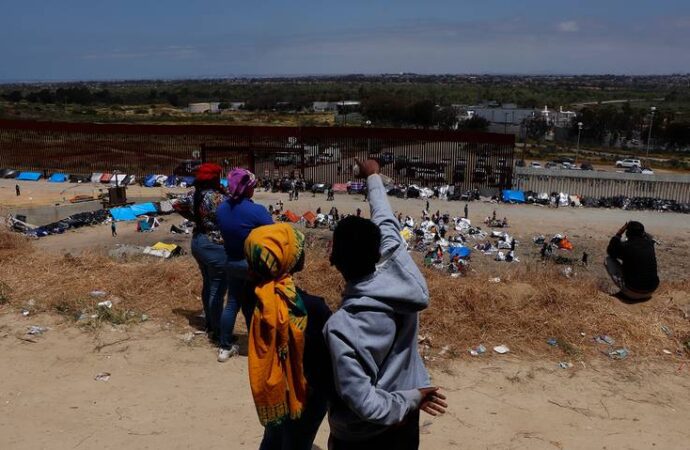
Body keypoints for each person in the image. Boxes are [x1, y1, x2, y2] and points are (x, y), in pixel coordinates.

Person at [324, 159, 447, 450]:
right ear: (379, 250)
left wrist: (409, 401)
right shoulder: (402, 274)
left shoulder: (342, 326)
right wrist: (373, 176)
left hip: (365, 434)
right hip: (406, 419)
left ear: (333, 260)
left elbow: (363, 401)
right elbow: (384, 217)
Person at [242, 223, 332, 450]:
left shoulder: (254, 296)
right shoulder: (312, 307)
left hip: (273, 388)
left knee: (273, 437)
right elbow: (325, 360)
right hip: (306, 393)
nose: (302, 253)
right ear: (284, 260)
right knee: (298, 441)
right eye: (297, 249)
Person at [215, 168, 273, 362]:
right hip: (251, 265)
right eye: (253, 186)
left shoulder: (222, 208)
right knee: (252, 305)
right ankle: (255, 345)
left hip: (230, 261)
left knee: (232, 303)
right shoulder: (257, 211)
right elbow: (274, 234)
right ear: (248, 189)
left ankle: (224, 347)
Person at [172, 163, 228, 341]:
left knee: (208, 284)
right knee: (217, 289)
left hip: (198, 241)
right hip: (215, 244)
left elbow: (176, 204)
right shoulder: (219, 198)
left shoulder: (192, 195)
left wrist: (195, 218)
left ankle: (210, 324)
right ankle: (217, 330)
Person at [605, 221, 659, 301]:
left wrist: (619, 233)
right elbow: (648, 237)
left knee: (608, 260)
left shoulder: (625, 246)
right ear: (643, 233)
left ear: (627, 233)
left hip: (633, 292)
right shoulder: (650, 244)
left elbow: (610, 251)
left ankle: (625, 292)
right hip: (651, 290)